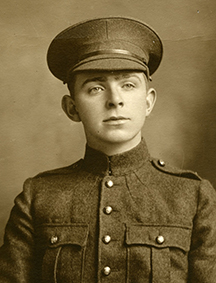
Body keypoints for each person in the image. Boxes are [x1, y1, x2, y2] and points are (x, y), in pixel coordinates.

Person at [0, 17, 216, 283]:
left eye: (128, 85)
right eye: (96, 88)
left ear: (148, 103)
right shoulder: (38, 197)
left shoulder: (193, 197)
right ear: (72, 108)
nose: (115, 100)